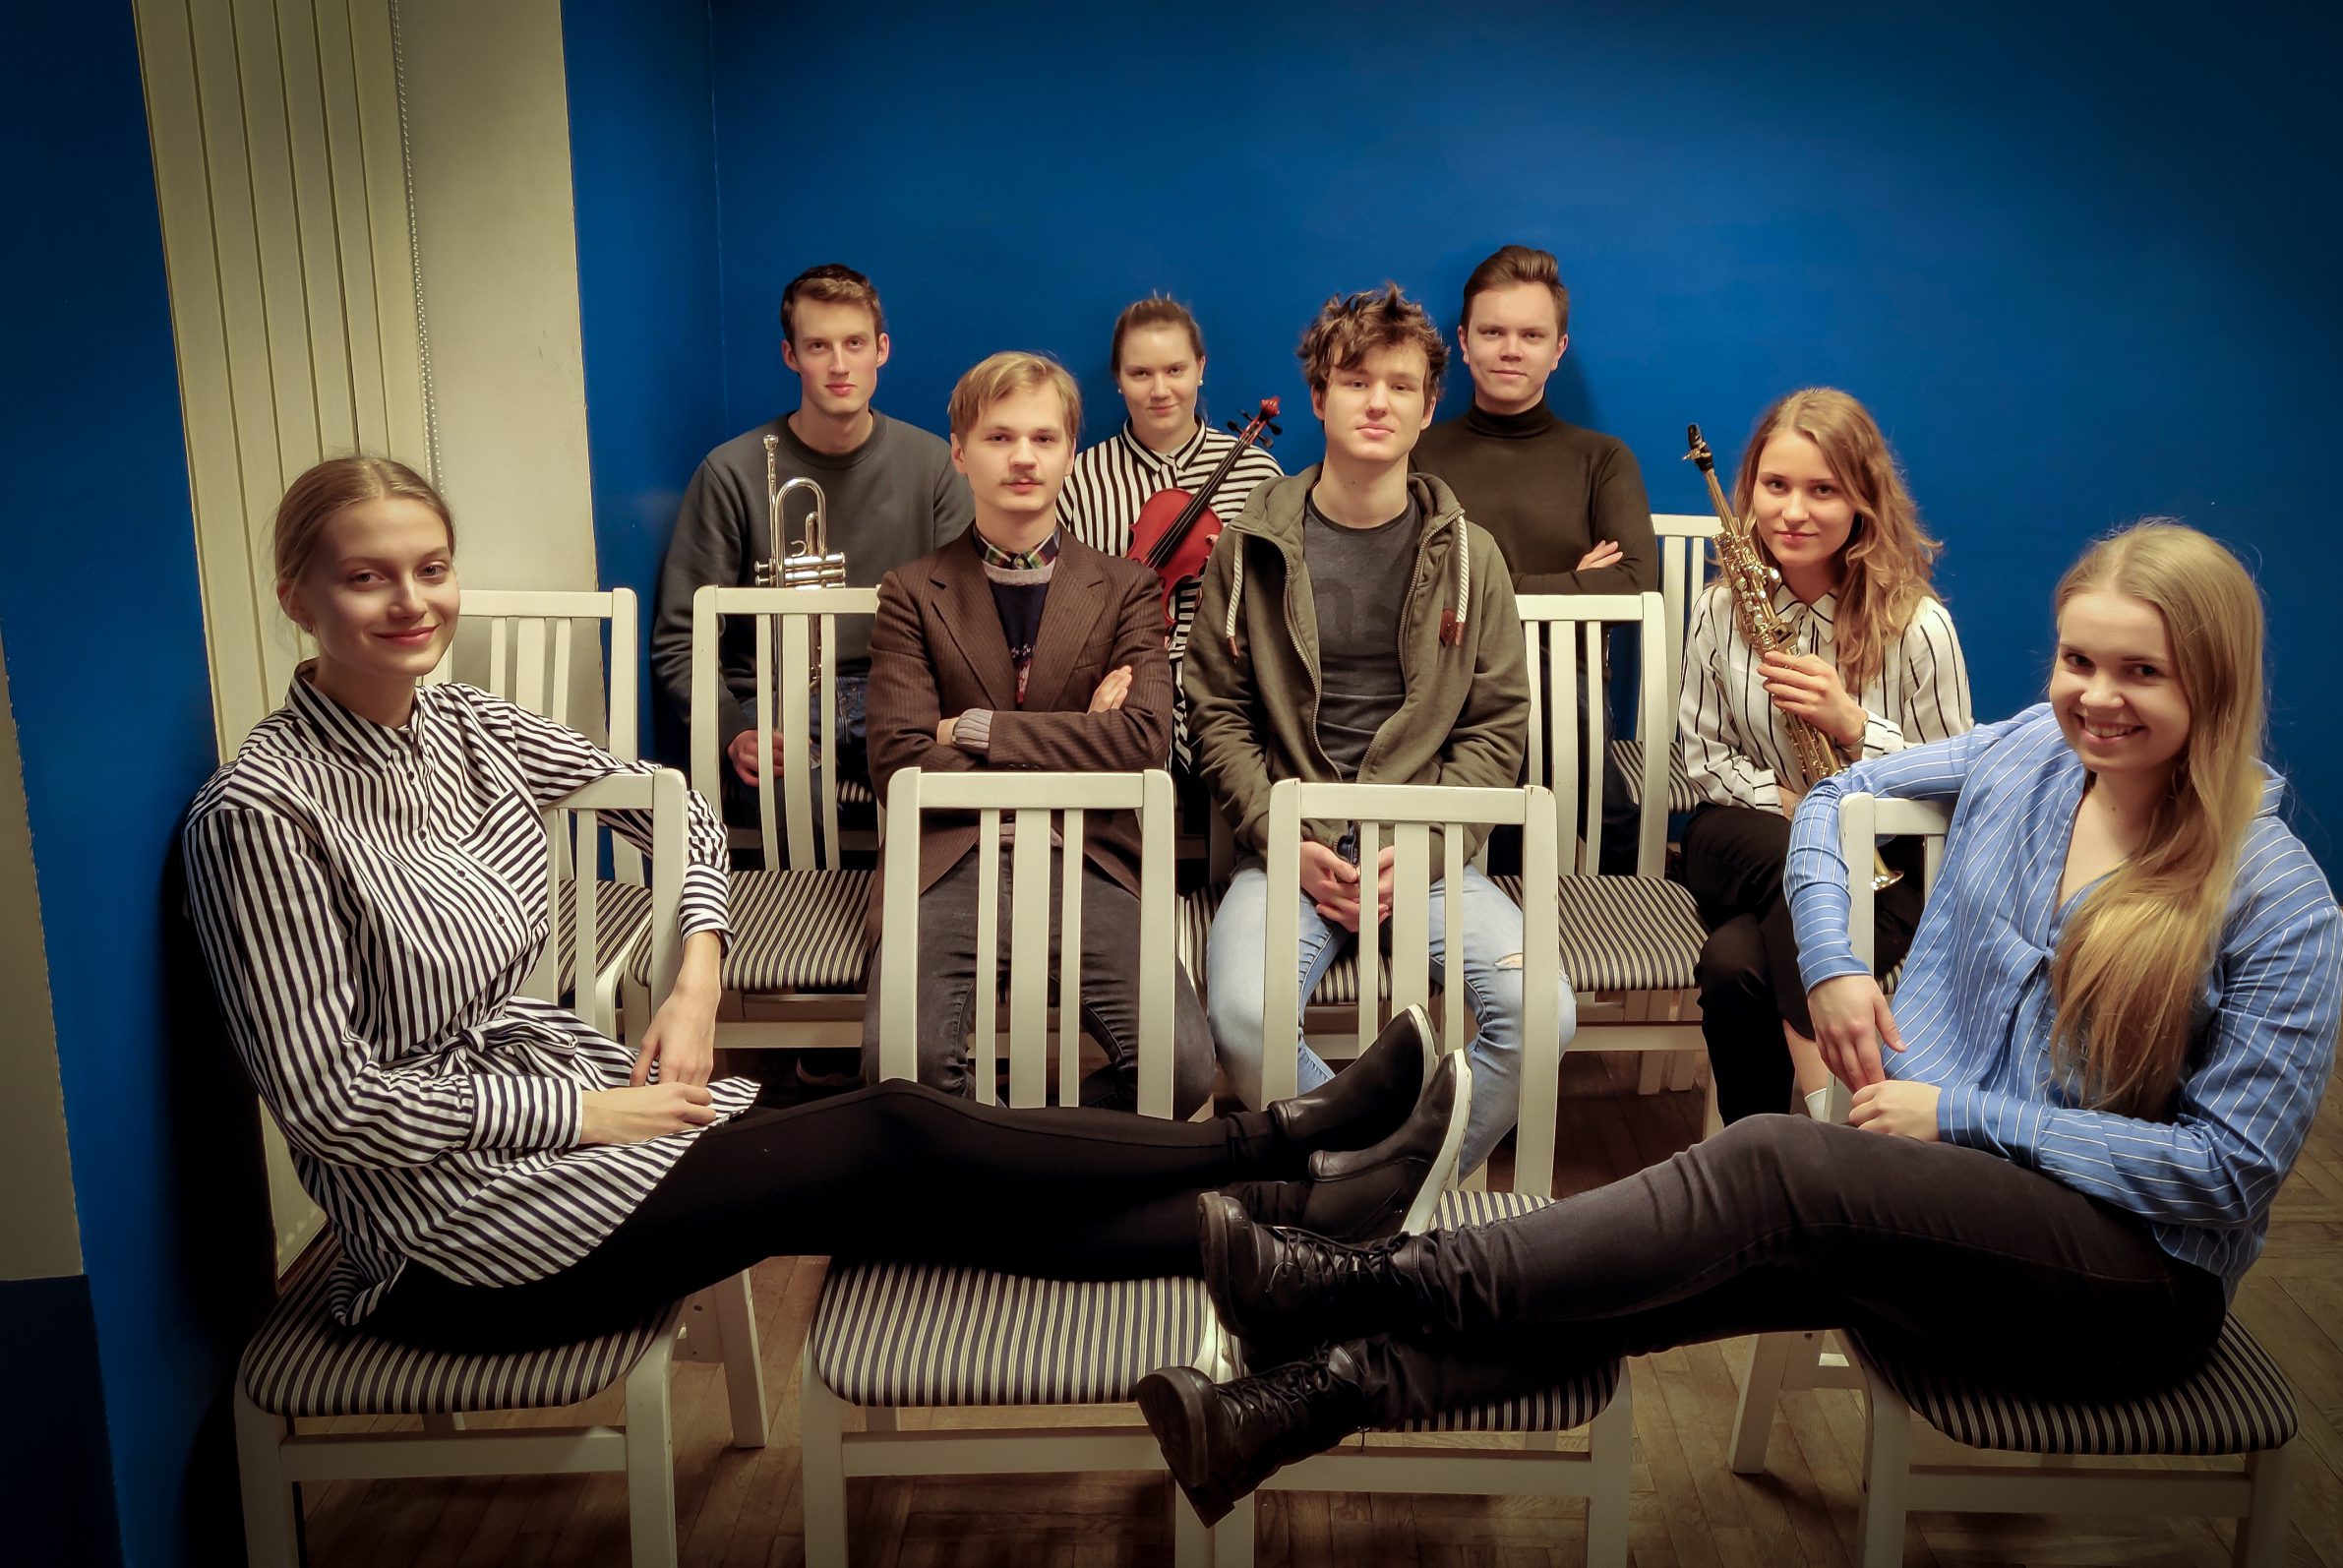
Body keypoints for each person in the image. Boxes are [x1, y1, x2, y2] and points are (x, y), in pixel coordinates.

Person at [1133, 521, 2343, 1526]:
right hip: (1936, 1202)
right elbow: (1833, 800)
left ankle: (1355, 1281)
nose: (2095, 697)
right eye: (2078, 659)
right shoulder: (2032, 751)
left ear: (2215, 683)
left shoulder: (2277, 901)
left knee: (1767, 1165)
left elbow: (2225, 1173)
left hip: (2121, 1287)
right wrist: (1832, 965)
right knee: (1681, 1271)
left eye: (2141, 673)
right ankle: (1306, 1402)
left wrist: (1966, 1114)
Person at [182, 455, 1472, 1354]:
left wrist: (697, 973)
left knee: (916, 1180)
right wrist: (590, 1110)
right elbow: (333, 1107)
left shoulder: (462, 723)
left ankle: (1304, 1219)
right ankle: (1280, 1152)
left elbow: (675, 808)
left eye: (431, 567)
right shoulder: (263, 811)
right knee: (897, 1132)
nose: (412, 602)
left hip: (589, 1117)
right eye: (368, 578)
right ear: (297, 596)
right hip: (458, 1233)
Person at [1181, 283, 1577, 1178]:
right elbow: (1217, 715)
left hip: (1428, 848)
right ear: (1319, 396)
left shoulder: (1473, 556)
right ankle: (1389, 1178)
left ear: (1428, 407)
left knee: (1543, 1014)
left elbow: (1495, 729)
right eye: (1356, 382)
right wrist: (1283, 838)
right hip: (1290, 847)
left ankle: (1373, 1189)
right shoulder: (1248, 545)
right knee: (1241, 1020)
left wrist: (1428, 847)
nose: (1377, 403)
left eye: (1400, 386)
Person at [865, 351, 1219, 1115]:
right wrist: (1080, 736)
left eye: (1043, 438)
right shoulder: (911, 592)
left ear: (1069, 455)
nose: (1022, 457)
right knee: (904, 1068)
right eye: (999, 438)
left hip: (1088, 852)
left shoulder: (1125, 588)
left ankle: (1022, 1156)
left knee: (1183, 1069)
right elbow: (899, 762)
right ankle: (1031, 1164)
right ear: (960, 453)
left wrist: (974, 729)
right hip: (951, 856)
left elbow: (1143, 743)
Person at [1675, 388, 1973, 1122]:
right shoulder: (1719, 609)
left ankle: (1760, 1158)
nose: (1793, 512)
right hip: (1742, 834)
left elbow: (1956, 782)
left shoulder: (1919, 626)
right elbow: (1702, 757)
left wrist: (1852, 724)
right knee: (1793, 848)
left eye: (1823, 491)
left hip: (1883, 859)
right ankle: (1829, 1117)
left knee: (1733, 967)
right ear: (1749, 490)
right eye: (1776, 486)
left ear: (1863, 501)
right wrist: (1800, 808)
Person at [650, 264, 974, 812]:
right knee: (791, 811)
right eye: (818, 346)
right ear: (790, 355)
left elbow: (963, 619)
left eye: (854, 343)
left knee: (953, 804)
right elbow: (682, 636)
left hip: (897, 696)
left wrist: (933, 715)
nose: (839, 365)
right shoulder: (730, 472)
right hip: (774, 702)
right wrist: (732, 730)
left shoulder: (935, 466)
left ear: (881, 350)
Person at [1412, 245, 1654, 869]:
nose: (1511, 349)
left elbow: (1634, 588)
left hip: (1562, 680)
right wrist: (1570, 582)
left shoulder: (1602, 459)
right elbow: (1408, 583)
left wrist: (1482, 590)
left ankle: (1619, 898)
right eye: (1493, 332)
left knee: (1552, 705)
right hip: (1441, 674)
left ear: (1559, 349)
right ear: (1464, 342)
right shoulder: (1417, 453)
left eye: (1531, 335)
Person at [1060, 295, 1286, 775]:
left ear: (1200, 368)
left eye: (1175, 370)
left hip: (1233, 696)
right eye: (1140, 373)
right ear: (1118, 379)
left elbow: (1281, 602)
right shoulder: (1080, 477)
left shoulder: (1257, 472)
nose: (1160, 390)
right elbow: (1062, 603)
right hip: (1114, 694)